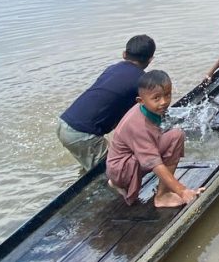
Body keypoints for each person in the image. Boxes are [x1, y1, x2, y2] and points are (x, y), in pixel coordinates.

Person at [57, 35, 156, 171]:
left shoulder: (112, 69)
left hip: (65, 124)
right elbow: (143, 116)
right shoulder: (142, 81)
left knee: (92, 168)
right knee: (111, 171)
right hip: (83, 134)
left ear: (124, 54)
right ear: (150, 59)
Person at [106, 70, 203, 207]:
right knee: (173, 141)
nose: (164, 102)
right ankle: (162, 196)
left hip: (118, 166)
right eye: (156, 98)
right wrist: (182, 191)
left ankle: (116, 181)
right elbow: (153, 163)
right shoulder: (139, 125)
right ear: (141, 101)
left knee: (176, 135)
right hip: (122, 170)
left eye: (167, 95)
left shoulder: (145, 109)